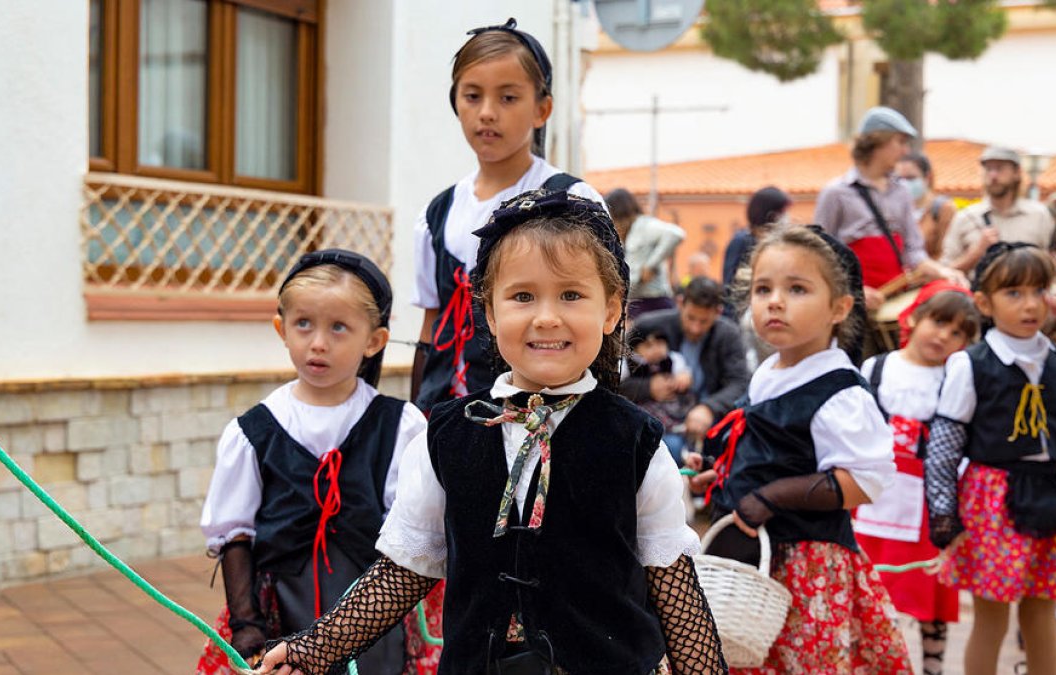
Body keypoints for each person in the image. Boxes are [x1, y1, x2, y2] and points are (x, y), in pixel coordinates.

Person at [258, 190, 726, 675]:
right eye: (523, 296)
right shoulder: (445, 437)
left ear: (611, 311)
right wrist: (315, 648)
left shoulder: (638, 443)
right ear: (490, 311)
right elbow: (402, 571)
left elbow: (676, 593)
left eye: (571, 295)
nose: (546, 316)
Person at [689, 225, 910, 673]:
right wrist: (724, 472)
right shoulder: (769, 372)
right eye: (762, 288)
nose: (775, 300)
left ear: (839, 308)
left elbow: (862, 482)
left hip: (808, 570)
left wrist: (769, 497)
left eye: (797, 288)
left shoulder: (839, 392)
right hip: (755, 568)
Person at [195, 250, 425, 674]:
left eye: (339, 327)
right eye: (304, 324)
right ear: (281, 328)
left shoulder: (401, 427)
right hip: (281, 611)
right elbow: (234, 534)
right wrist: (247, 624)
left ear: (374, 340)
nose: (318, 342)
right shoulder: (253, 433)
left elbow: (411, 532)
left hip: (370, 614)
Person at [924, 243, 1056, 675]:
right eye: (1014, 293)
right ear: (984, 302)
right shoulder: (969, 364)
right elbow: (945, 442)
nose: (1031, 304)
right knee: (992, 615)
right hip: (991, 498)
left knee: (1042, 612)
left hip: (1048, 493)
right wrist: (943, 513)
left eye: (1039, 290)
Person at [410, 18, 605, 413]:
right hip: (449, 413)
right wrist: (417, 409)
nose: (486, 113)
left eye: (508, 98)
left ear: (542, 109)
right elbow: (432, 326)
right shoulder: (437, 214)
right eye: (472, 96)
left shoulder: (571, 201)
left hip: (543, 410)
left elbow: (598, 313)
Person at [853, 284, 980, 675]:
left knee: (928, 592)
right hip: (870, 498)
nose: (943, 335)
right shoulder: (875, 368)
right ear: (913, 317)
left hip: (929, 506)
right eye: (938, 322)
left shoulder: (959, 379)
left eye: (957, 332)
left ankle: (932, 667)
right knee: (866, 593)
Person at [814, 106, 964, 313]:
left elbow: (913, 250)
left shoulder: (902, 191)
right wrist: (853, 290)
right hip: (850, 304)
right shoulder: (835, 193)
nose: (905, 151)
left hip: (894, 298)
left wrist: (941, 271)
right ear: (877, 142)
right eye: (900, 142)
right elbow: (819, 255)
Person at [623, 276, 749, 444]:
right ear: (680, 303)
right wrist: (648, 387)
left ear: (718, 312)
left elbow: (739, 383)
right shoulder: (648, 326)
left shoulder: (728, 334)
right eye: (690, 318)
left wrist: (709, 408)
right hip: (656, 419)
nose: (695, 328)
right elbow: (614, 379)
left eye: (704, 321)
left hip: (709, 419)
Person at [940, 147, 1056, 275]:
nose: (993, 175)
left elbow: (1053, 263)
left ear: (1017, 172)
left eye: (1000, 168)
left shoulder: (1039, 215)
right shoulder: (965, 217)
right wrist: (976, 254)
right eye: (988, 169)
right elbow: (946, 271)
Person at [605, 187, 686, 320]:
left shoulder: (645, 225)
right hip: (637, 302)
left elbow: (675, 234)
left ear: (622, 214)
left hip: (655, 301)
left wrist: (650, 266)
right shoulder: (627, 235)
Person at [623, 327, 696, 466]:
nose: (656, 349)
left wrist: (683, 379)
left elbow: (685, 375)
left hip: (671, 416)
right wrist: (648, 387)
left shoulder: (673, 360)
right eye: (648, 345)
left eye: (660, 344)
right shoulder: (629, 364)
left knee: (676, 445)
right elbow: (621, 387)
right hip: (643, 419)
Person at [896, 152, 956, 261]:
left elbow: (947, 254)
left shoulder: (943, 209)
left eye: (911, 178)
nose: (904, 184)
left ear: (927, 177)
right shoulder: (894, 210)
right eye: (900, 179)